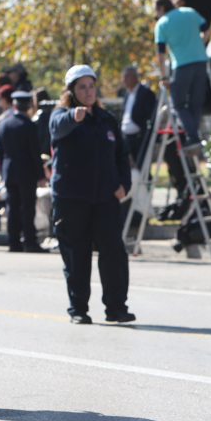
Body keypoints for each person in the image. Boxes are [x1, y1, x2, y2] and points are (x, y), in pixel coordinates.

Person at [49, 65, 135, 324]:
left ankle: (116, 308)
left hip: (105, 198)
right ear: (71, 91)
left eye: (91, 86)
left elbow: (121, 155)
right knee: (77, 255)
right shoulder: (62, 115)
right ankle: (78, 309)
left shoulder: (106, 118)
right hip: (71, 199)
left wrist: (124, 184)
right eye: (81, 87)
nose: (87, 91)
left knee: (114, 253)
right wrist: (72, 117)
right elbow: (56, 128)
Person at [153, 0, 209, 150]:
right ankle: (193, 138)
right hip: (201, 63)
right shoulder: (190, 12)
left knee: (177, 104)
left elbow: (160, 53)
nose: (155, 16)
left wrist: (163, 76)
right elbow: (208, 30)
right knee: (195, 105)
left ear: (162, 8)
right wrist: (200, 45)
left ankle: (193, 136)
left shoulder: (162, 23)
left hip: (182, 66)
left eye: (156, 11)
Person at [0, 90, 45, 253]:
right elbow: (35, 152)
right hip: (26, 171)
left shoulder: (3, 124)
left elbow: (0, 152)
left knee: (12, 207)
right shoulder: (29, 125)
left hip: (9, 170)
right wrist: (41, 175)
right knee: (28, 207)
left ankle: (14, 242)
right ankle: (30, 241)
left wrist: (1, 172)